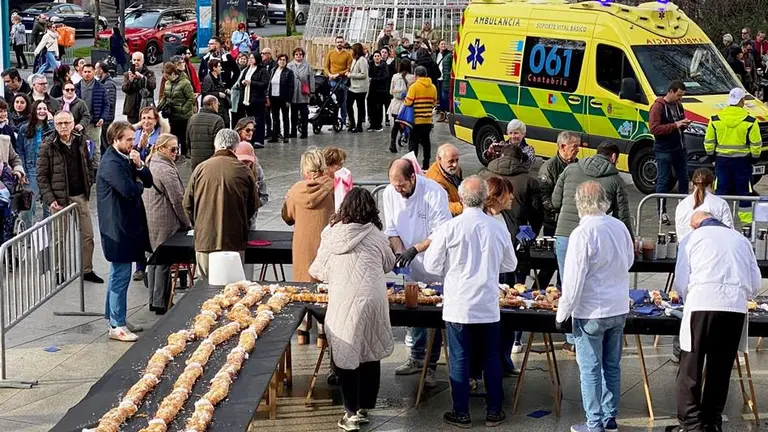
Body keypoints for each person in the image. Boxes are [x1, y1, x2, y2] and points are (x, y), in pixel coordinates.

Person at [423, 176, 517, 428]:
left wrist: (450, 267)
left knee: (460, 357)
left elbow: (431, 265)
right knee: (492, 357)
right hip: (487, 302)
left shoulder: (450, 228)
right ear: (486, 198)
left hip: (459, 303)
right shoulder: (497, 228)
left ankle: (461, 411)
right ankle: (494, 411)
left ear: (461, 199)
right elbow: (511, 264)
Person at [309, 188, 396, 431]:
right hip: (373, 300)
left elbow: (317, 269)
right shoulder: (377, 234)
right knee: (370, 348)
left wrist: (337, 274)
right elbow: (389, 263)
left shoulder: (331, 234)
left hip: (343, 300)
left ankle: (350, 413)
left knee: (346, 352)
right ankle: (366, 405)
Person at [664, 211, 759, 432]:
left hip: (702, 303)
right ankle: (712, 420)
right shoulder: (740, 239)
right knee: (720, 367)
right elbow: (754, 283)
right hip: (734, 307)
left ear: (695, 225)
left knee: (691, 365)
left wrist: (688, 295)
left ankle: (691, 423)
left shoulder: (692, 238)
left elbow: (680, 281)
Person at [556, 181, 634, 432]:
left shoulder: (582, 233)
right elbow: (630, 260)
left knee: (589, 370)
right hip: (618, 306)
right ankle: (610, 417)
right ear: (604, 200)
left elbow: (573, 279)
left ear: (579, 204)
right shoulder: (619, 226)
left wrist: (562, 313)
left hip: (591, 310)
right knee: (612, 365)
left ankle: (594, 423)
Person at [385, 158, 451, 385]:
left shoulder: (434, 192)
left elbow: (441, 232)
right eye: (395, 186)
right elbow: (392, 229)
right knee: (413, 313)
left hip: (432, 261)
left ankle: (431, 365)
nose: (398, 190)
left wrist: (415, 249)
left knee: (433, 315)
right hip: (409, 261)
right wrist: (401, 253)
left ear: (413, 177)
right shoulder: (389, 193)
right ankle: (415, 357)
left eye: (402, 185)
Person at [97, 121, 153, 342]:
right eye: (128, 139)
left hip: (126, 225)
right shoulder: (111, 163)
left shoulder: (126, 158)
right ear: (115, 140)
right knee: (120, 276)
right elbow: (130, 190)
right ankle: (116, 325)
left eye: (133, 138)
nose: (133, 143)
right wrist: (137, 184)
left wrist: (139, 166)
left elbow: (148, 181)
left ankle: (113, 315)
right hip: (117, 229)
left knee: (117, 275)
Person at [37, 111, 103, 283]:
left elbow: (88, 163)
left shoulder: (80, 140)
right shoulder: (47, 145)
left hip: (80, 195)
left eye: (67, 122)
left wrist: (89, 183)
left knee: (88, 235)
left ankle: (87, 270)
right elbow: (41, 176)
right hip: (58, 199)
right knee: (59, 238)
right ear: (55, 125)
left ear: (73, 123)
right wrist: (50, 199)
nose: (63, 126)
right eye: (59, 123)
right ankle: (59, 272)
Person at [183, 129, 257, 278]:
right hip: (234, 240)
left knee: (206, 287)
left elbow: (187, 204)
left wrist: (199, 224)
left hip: (205, 239)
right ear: (235, 148)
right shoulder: (244, 170)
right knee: (233, 289)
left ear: (215, 145)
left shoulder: (201, 168)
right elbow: (253, 205)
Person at [143, 133, 190, 315]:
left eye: (177, 148)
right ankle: (162, 303)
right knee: (163, 262)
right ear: (161, 148)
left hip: (152, 217)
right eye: (172, 149)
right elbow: (178, 200)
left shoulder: (151, 162)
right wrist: (187, 222)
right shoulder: (165, 169)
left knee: (154, 260)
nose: (176, 152)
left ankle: (154, 301)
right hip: (165, 220)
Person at [704, 87, 762, 225]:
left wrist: (712, 157)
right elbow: (756, 144)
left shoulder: (715, 119)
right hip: (743, 162)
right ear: (742, 100)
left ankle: (717, 221)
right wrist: (754, 158)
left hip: (722, 161)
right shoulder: (750, 121)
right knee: (744, 192)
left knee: (720, 190)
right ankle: (746, 225)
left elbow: (708, 142)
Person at [282, 147, 334, 282]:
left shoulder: (295, 191)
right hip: (327, 244)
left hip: (302, 246)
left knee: (303, 286)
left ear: (305, 170)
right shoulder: (334, 187)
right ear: (324, 167)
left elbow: (287, 217)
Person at [18, 100, 54, 226]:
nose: (42, 111)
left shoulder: (51, 128)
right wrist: (23, 172)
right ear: (34, 110)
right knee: (28, 208)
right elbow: (20, 151)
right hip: (31, 169)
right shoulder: (24, 128)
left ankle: (47, 239)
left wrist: (51, 121)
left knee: (48, 207)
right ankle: (27, 238)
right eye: (39, 109)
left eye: (44, 109)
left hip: (49, 170)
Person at [675, 168, 734, 241]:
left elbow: (680, 232)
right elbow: (729, 232)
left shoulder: (682, 204)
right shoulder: (721, 203)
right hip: (713, 247)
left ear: (692, 184)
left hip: (687, 248)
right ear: (711, 184)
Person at [158, 62, 195, 158]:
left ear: (173, 74)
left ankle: (185, 152)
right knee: (174, 135)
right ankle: (175, 153)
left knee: (184, 136)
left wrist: (183, 109)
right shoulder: (167, 83)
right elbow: (165, 98)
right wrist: (157, 108)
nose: (166, 78)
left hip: (184, 116)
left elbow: (191, 98)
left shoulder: (185, 83)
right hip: (173, 115)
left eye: (167, 76)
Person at [75, 64, 110, 165]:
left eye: (89, 72)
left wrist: (103, 117)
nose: (87, 74)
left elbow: (106, 104)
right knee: (79, 148)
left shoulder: (101, 87)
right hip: (79, 123)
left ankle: (95, 171)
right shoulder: (76, 87)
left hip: (94, 123)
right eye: (85, 72)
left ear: (94, 72)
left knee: (95, 149)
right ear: (81, 72)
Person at [405, 66, 437, 170]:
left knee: (413, 142)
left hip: (415, 120)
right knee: (426, 142)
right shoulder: (433, 87)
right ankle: (426, 164)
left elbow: (408, 102)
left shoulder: (414, 87)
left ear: (416, 76)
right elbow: (434, 102)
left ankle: (413, 165)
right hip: (427, 120)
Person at [236, 53, 269, 147]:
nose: (250, 60)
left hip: (258, 99)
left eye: (252, 58)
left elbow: (264, 84)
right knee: (250, 121)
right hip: (247, 99)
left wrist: (252, 83)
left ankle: (259, 140)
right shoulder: (246, 70)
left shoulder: (262, 70)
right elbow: (241, 82)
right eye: (249, 58)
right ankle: (251, 139)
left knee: (259, 120)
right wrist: (243, 83)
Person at [187, 95, 225, 171]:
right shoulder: (218, 120)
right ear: (213, 104)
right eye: (217, 104)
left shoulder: (192, 118)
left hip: (195, 160)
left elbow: (187, 139)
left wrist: (192, 154)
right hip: (211, 161)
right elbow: (219, 143)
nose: (218, 106)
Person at [425, 143, 463, 216]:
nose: (455, 165)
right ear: (439, 159)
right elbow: (444, 206)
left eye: (457, 160)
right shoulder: (436, 181)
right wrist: (466, 207)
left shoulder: (455, 170)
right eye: (451, 161)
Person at [324, 36, 353, 126]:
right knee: (333, 101)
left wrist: (339, 74)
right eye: (338, 42)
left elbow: (349, 68)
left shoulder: (348, 55)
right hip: (332, 79)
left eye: (341, 42)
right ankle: (334, 120)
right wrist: (329, 74)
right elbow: (326, 66)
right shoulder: (330, 53)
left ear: (343, 43)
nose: (339, 44)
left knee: (343, 101)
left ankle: (344, 120)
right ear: (335, 43)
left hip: (343, 80)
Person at [388, 59, 415, 153]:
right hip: (406, 104)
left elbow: (391, 91)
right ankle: (407, 140)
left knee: (395, 125)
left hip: (395, 104)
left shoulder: (395, 76)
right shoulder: (412, 78)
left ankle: (392, 143)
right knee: (408, 124)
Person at [122, 52, 157, 125]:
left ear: (142, 61)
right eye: (134, 60)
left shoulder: (149, 73)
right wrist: (130, 80)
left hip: (145, 108)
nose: (136, 62)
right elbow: (124, 89)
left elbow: (152, 86)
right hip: (132, 109)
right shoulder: (127, 74)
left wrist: (142, 77)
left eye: (138, 60)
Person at [287, 48, 314, 140]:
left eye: (300, 54)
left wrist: (312, 91)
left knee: (304, 114)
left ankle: (304, 132)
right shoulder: (289, 65)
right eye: (296, 54)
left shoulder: (307, 65)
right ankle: (293, 132)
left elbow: (311, 79)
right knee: (293, 114)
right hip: (293, 92)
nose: (298, 56)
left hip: (304, 92)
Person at [268, 54, 295, 144]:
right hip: (273, 97)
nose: (282, 61)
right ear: (277, 61)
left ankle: (286, 136)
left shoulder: (289, 72)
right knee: (275, 117)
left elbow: (291, 87)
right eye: (280, 59)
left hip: (284, 97)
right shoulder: (273, 70)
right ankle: (275, 135)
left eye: (284, 60)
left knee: (285, 117)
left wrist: (289, 99)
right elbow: (269, 84)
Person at [96, 61, 118, 156]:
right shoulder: (103, 82)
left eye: (96, 68)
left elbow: (109, 102)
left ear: (101, 70)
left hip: (107, 119)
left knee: (106, 143)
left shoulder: (108, 84)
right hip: (104, 118)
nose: (95, 71)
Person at [346, 43, 369, 134]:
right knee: (348, 105)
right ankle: (352, 123)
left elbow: (364, 74)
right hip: (353, 86)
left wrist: (351, 75)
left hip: (360, 87)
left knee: (360, 106)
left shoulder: (362, 60)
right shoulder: (355, 59)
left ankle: (359, 125)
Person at [202, 59, 232, 127]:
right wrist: (218, 94)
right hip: (215, 106)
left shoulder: (219, 77)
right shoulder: (208, 79)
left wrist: (226, 90)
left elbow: (221, 87)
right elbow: (205, 93)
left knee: (226, 123)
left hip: (223, 105)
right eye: (219, 66)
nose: (221, 68)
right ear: (214, 68)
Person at [367, 51, 389, 132]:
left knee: (379, 108)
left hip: (381, 90)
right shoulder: (370, 65)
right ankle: (372, 124)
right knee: (371, 107)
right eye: (375, 56)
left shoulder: (384, 66)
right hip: (371, 90)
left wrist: (373, 79)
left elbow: (385, 77)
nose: (376, 57)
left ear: (380, 57)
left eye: (378, 56)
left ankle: (378, 124)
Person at [435, 41, 452, 122]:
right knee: (440, 97)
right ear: (438, 46)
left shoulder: (449, 54)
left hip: (445, 78)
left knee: (445, 96)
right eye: (441, 44)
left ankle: (448, 113)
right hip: (438, 78)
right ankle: (442, 113)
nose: (443, 45)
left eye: (445, 44)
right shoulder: (437, 54)